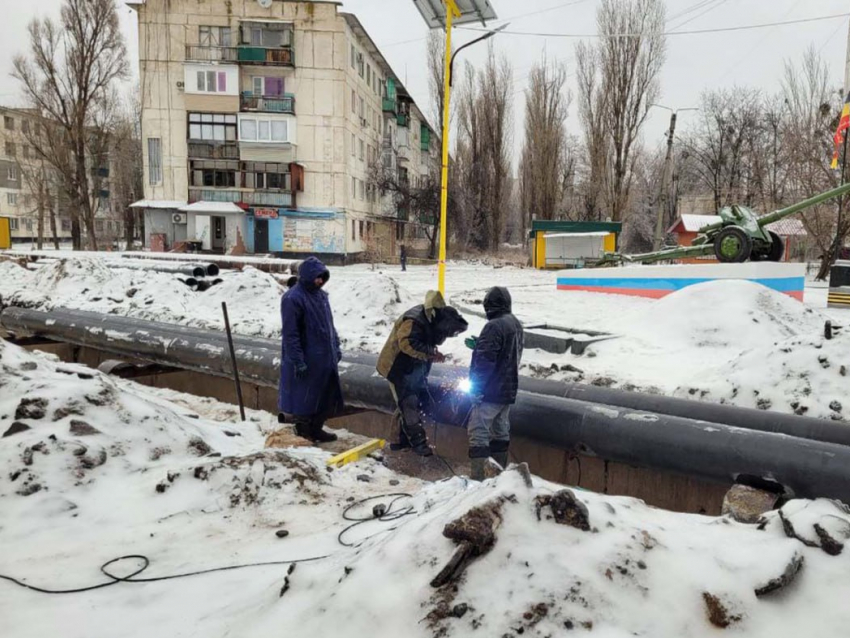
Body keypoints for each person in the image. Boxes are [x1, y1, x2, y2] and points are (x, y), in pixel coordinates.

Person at [377, 290, 468, 456]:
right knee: (408, 403)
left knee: (406, 403)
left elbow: (424, 343)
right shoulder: (414, 321)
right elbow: (407, 344)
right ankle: (418, 444)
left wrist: (432, 353)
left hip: (413, 367)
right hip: (396, 368)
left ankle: (398, 442)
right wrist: (431, 354)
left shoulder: (434, 319)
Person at [278, 256, 343, 443]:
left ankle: (316, 429)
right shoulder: (292, 298)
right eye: (317, 277)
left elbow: (329, 324)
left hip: (324, 357)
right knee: (305, 398)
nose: (320, 281)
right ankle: (304, 432)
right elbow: (291, 334)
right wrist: (298, 360)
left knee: (325, 396)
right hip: (307, 358)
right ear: (307, 275)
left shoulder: (322, 296)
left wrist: (336, 346)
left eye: (323, 277)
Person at [465, 286, 524, 480]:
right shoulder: (516, 323)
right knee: (500, 432)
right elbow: (507, 354)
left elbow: (484, 363)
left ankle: (479, 480)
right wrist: (481, 343)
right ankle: (499, 478)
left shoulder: (493, 326)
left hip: (490, 392)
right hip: (507, 391)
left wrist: (476, 389)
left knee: (478, 432)